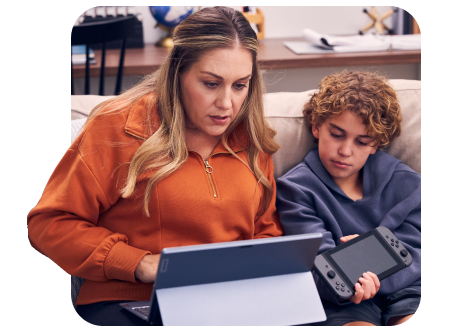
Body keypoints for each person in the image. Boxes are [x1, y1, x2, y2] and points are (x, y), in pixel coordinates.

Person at [29, 7, 282, 326]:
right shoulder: (117, 128)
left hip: (228, 302)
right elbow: (48, 224)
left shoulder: (252, 137)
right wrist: (140, 264)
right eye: (210, 84)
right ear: (178, 72)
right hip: (132, 300)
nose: (227, 104)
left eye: (240, 85)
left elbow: (267, 231)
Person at [276, 71, 421, 326]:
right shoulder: (296, 190)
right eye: (337, 134)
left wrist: (370, 260)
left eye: (362, 141)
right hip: (344, 301)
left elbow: (416, 249)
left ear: (376, 144)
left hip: (407, 287)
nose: (345, 151)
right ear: (317, 126)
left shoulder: (406, 183)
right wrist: (356, 269)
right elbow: (317, 268)